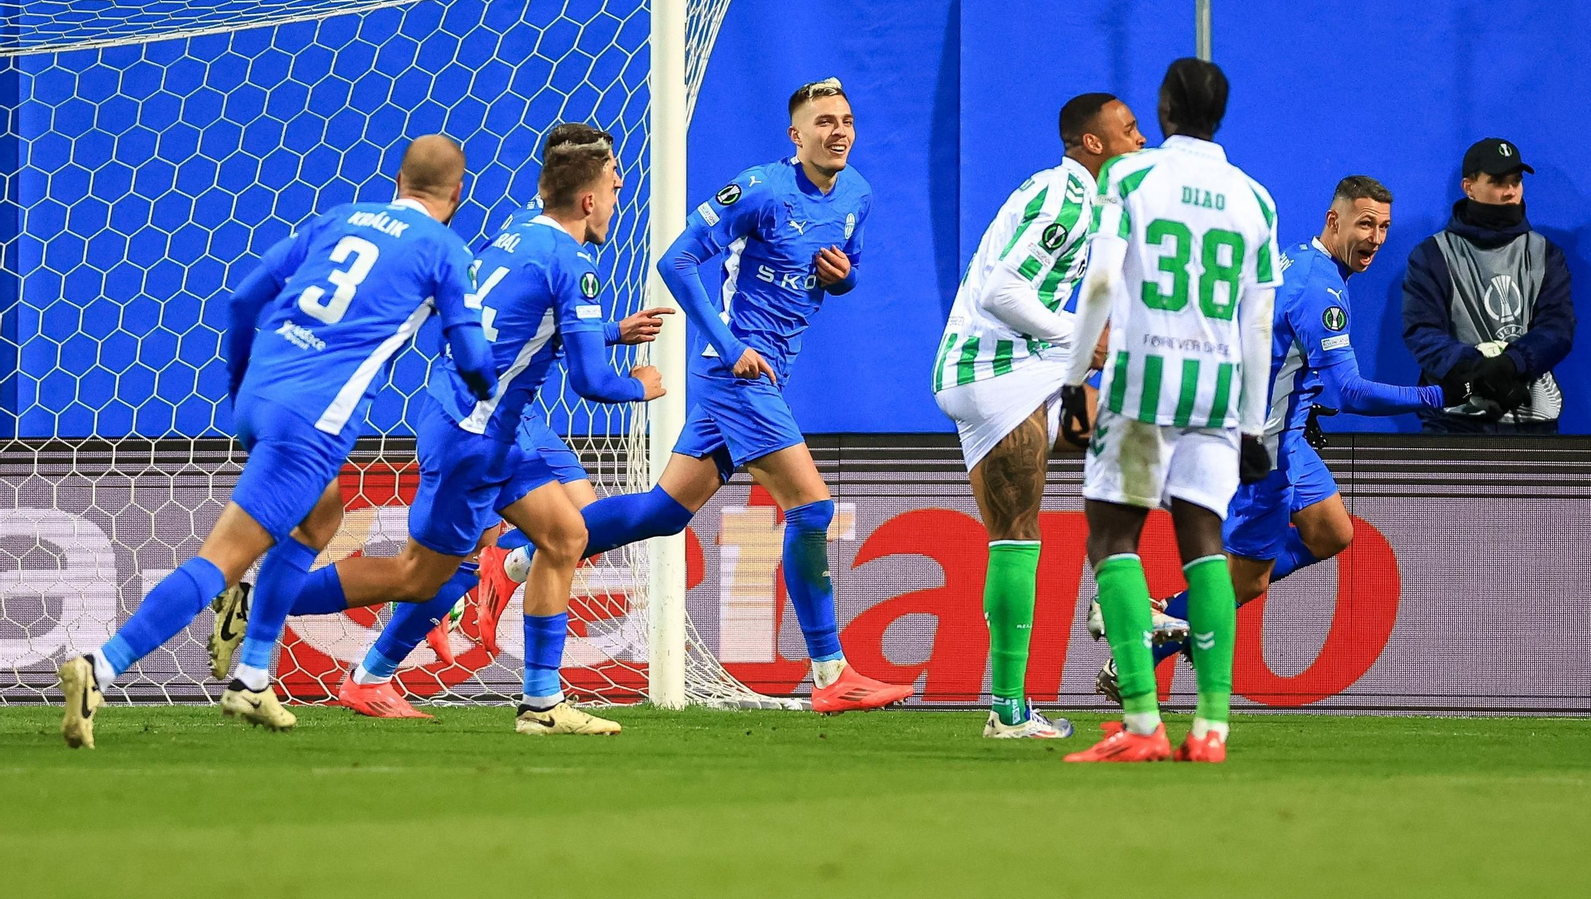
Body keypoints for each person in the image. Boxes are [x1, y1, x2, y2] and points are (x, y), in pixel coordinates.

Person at [215, 130, 663, 735]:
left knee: (564, 536)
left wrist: (607, 331)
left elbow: (516, 316)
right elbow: (589, 381)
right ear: (587, 199)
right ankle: (266, 604)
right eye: (613, 186)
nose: (617, 197)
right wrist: (642, 386)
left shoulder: (519, 228)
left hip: (481, 423)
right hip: (477, 433)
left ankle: (537, 699)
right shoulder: (574, 261)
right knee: (420, 574)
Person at [489, 78, 912, 713]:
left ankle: (517, 557)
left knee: (663, 512)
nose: (839, 131)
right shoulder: (762, 189)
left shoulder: (858, 194)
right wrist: (730, 344)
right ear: (796, 136)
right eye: (823, 122)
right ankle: (831, 674)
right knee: (812, 509)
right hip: (736, 371)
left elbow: (849, 267)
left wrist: (845, 279)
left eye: (846, 120)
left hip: (767, 373)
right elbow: (676, 261)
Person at [56, 135, 494, 748]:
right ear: (458, 192)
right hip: (313, 419)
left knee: (320, 520)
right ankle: (100, 667)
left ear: (398, 181)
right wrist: (486, 383)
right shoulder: (447, 250)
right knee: (224, 559)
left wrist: (241, 391)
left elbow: (242, 301)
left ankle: (253, 677)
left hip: (263, 390)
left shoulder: (337, 218)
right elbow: (472, 354)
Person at [1095, 176, 1484, 700]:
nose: (1375, 237)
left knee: (1331, 532)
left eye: (1385, 227)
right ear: (1334, 220)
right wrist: (1439, 397)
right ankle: (1148, 639)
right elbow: (1351, 393)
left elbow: (1278, 349)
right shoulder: (1320, 289)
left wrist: (1304, 396)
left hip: (1286, 430)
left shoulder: (1298, 261)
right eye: (1365, 223)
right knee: (1248, 580)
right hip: (1264, 445)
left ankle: (1169, 614)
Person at [930, 91, 1173, 739]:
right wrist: (1079, 338)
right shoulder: (1063, 196)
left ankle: (1126, 595)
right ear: (1092, 144)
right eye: (1128, 130)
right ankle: (1010, 708)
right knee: (1018, 532)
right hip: (996, 374)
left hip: (1015, 368)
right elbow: (1001, 292)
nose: (1141, 139)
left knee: (1136, 441)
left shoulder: (1094, 205)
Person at [1059, 58, 1279, 764]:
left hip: (1145, 378)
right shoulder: (1256, 200)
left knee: (1112, 539)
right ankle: (1212, 726)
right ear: (1223, 111)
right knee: (1204, 543)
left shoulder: (1130, 177)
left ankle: (1146, 725)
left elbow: (1098, 282)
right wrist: (1251, 422)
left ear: (1163, 109)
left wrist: (1071, 381)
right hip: (1217, 388)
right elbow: (1258, 322)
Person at [1402, 138, 1574, 433]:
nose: (1510, 192)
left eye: (1516, 181)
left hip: (1531, 421)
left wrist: (1512, 364)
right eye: (1497, 181)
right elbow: (1422, 332)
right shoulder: (1432, 255)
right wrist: (1479, 369)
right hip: (1453, 423)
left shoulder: (1546, 253)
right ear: (1468, 187)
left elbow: (1558, 328)